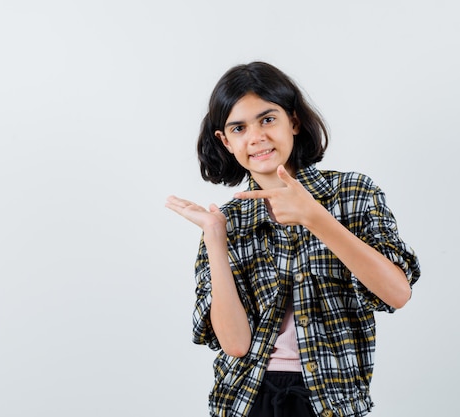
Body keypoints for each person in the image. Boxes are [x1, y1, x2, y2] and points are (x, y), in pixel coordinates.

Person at [165, 61, 421, 417]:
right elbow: (236, 344)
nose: (256, 137)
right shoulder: (226, 221)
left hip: (330, 400)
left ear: (294, 121)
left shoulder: (352, 193)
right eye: (239, 128)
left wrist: (315, 217)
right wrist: (214, 236)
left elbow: (398, 293)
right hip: (244, 400)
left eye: (267, 119)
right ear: (225, 141)